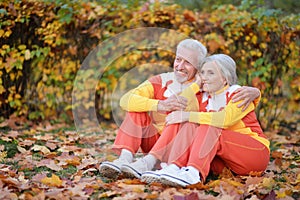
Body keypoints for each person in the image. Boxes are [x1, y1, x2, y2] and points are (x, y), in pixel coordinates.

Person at [99, 39, 261, 179]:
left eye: (188, 62)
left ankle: (164, 165)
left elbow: (226, 93)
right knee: (136, 109)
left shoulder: (206, 89)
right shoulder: (160, 81)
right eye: (178, 59)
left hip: (185, 148)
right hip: (158, 145)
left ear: (198, 68)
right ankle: (125, 159)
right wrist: (159, 104)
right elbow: (126, 100)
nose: (180, 66)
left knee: (187, 119)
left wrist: (255, 92)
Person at [140, 54, 270, 187]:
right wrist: (195, 85)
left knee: (208, 125)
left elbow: (225, 119)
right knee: (188, 123)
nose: (204, 77)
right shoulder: (203, 98)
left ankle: (193, 174)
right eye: (202, 73)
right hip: (226, 163)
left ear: (225, 79)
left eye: (210, 73)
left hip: (253, 155)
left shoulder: (239, 94)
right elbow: (177, 105)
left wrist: (188, 115)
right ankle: (172, 167)